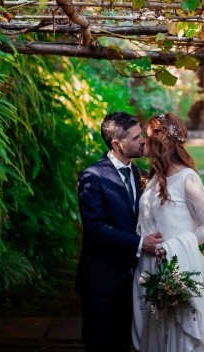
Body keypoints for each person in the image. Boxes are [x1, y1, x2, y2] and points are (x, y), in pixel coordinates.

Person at [75, 111, 164, 352]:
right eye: (135, 138)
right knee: (100, 344)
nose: (142, 141)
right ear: (117, 144)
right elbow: (95, 229)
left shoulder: (140, 175)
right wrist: (139, 244)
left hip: (133, 282)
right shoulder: (92, 177)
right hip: (100, 282)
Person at [132, 113, 204, 352]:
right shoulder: (152, 178)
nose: (142, 143)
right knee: (152, 335)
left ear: (160, 141)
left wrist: (172, 247)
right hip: (147, 269)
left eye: (146, 137)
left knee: (178, 337)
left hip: (176, 269)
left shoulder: (187, 178)